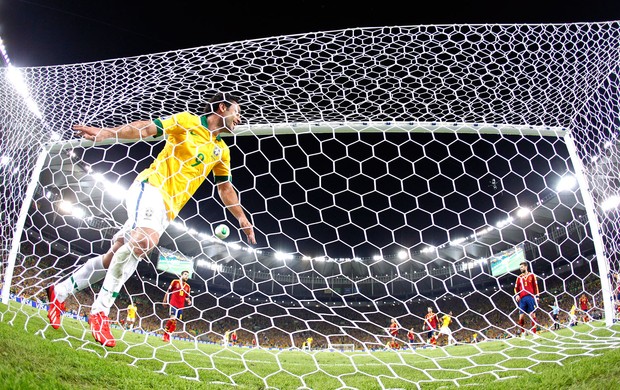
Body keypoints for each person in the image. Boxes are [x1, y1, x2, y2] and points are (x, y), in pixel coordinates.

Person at [45, 92, 256, 347]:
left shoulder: (221, 150)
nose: (240, 119)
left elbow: (225, 188)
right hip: (150, 187)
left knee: (115, 254)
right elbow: (146, 129)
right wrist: (108, 133)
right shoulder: (187, 121)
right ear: (222, 108)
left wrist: (243, 219)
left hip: (167, 211)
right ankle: (100, 312)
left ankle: (60, 292)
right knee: (145, 241)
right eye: (237, 111)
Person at [163, 270, 191, 342]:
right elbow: (168, 291)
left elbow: (186, 297)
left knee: (175, 321)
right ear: (181, 275)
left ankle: (168, 335)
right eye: (185, 274)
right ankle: (165, 335)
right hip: (173, 303)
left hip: (181, 306)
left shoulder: (188, 287)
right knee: (172, 318)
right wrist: (164, 300)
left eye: (187, 275)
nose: (186, 276)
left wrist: (188, 301)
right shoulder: (175, 282)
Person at [514, 261, 540, 337]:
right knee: (521, 317)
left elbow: (536, 286)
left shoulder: (532, 275)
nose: (520, 268)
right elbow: (516, 288)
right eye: (520, 267)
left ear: (526, 267)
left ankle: (534, 333)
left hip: (530, 297)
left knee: (533, 315)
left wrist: (537, 296)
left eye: (522, 267)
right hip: (522, 299)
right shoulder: (519, 277)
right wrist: (517, 295)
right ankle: (523, 332)